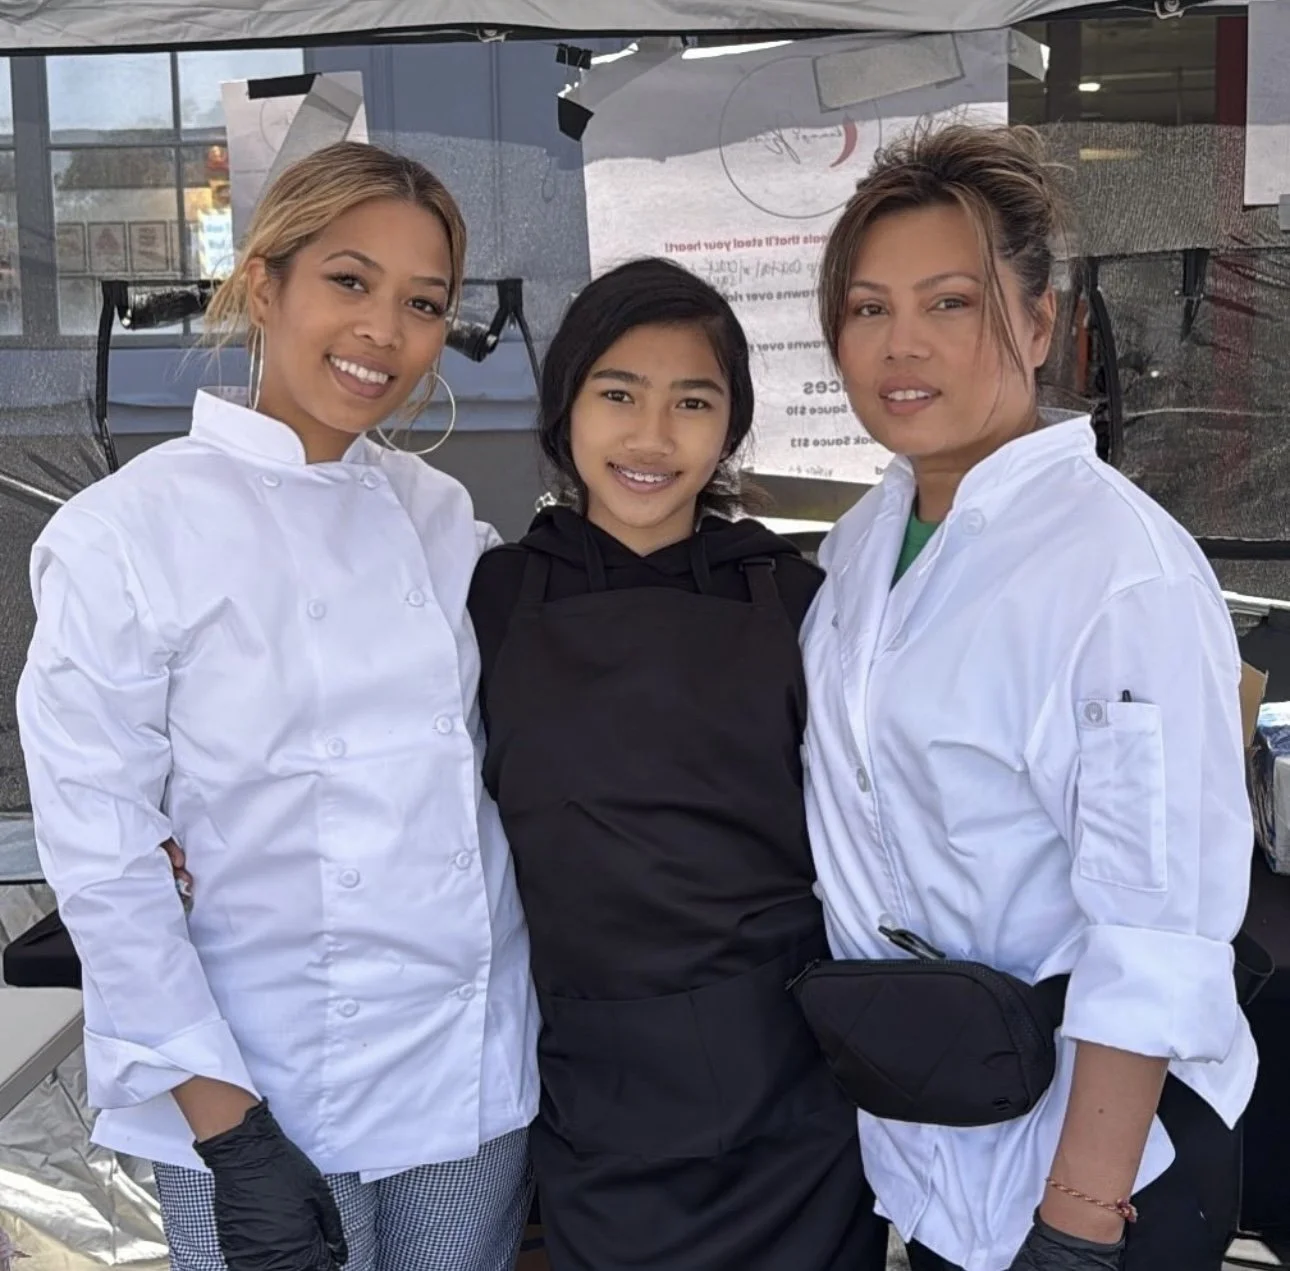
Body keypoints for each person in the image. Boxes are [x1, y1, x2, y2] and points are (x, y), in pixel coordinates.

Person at [16, 142, 538, 1271]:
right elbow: (103, 854)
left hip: (464, 1064)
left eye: (424, 303)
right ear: (266, 284)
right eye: (349, 282)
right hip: (256, 1082)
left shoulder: (441, 514)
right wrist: (229, 1128)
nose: (383, 332)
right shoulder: (122, 535)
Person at [800, 121, 1255, 1271]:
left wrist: (1080, 1220)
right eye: (867, 308)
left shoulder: (1117, 571)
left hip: (1105, 1175)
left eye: (951, 303)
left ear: (1042, 321)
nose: (903, 345)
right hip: (940, 1148)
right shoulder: (862, 543)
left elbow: (1154, 926)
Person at [465, 257, 889, 1271]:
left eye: (692, 402)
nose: (652, 438)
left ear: (732, 424)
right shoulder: (492, 599)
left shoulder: (792, 596)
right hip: (594, 1089)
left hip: (791, 1086)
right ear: (566, 405)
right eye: (619, 394)